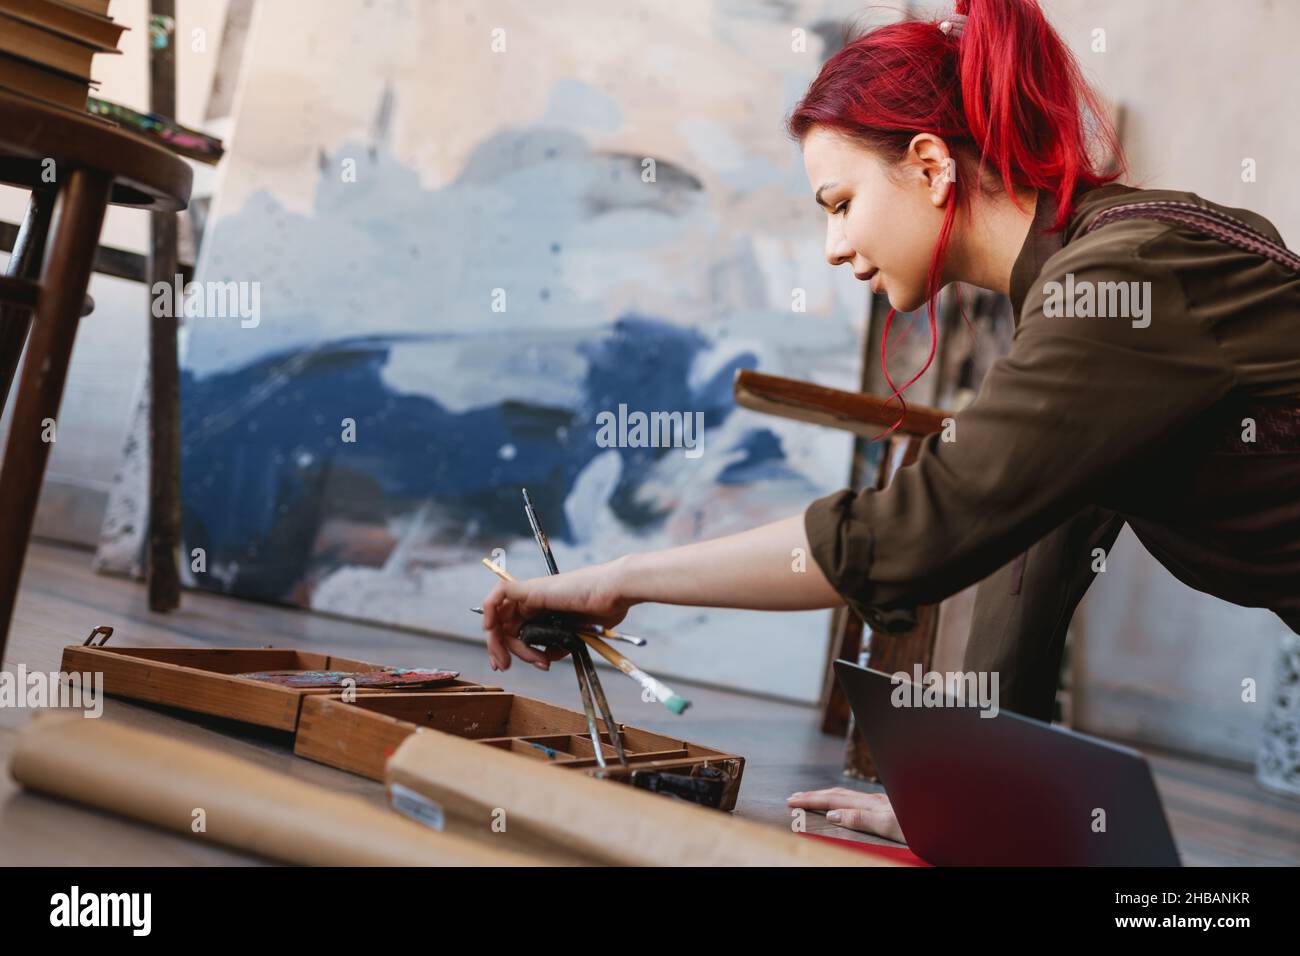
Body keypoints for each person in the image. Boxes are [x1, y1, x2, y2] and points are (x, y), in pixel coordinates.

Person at [480, 0, 1300, 844]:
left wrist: (621, 577)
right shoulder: (1098, 282)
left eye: (839, 202)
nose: (833, 246)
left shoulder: (1123, 281)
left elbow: (908, 536)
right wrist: (969, 805)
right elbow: (1030, 561)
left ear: (931, 165)